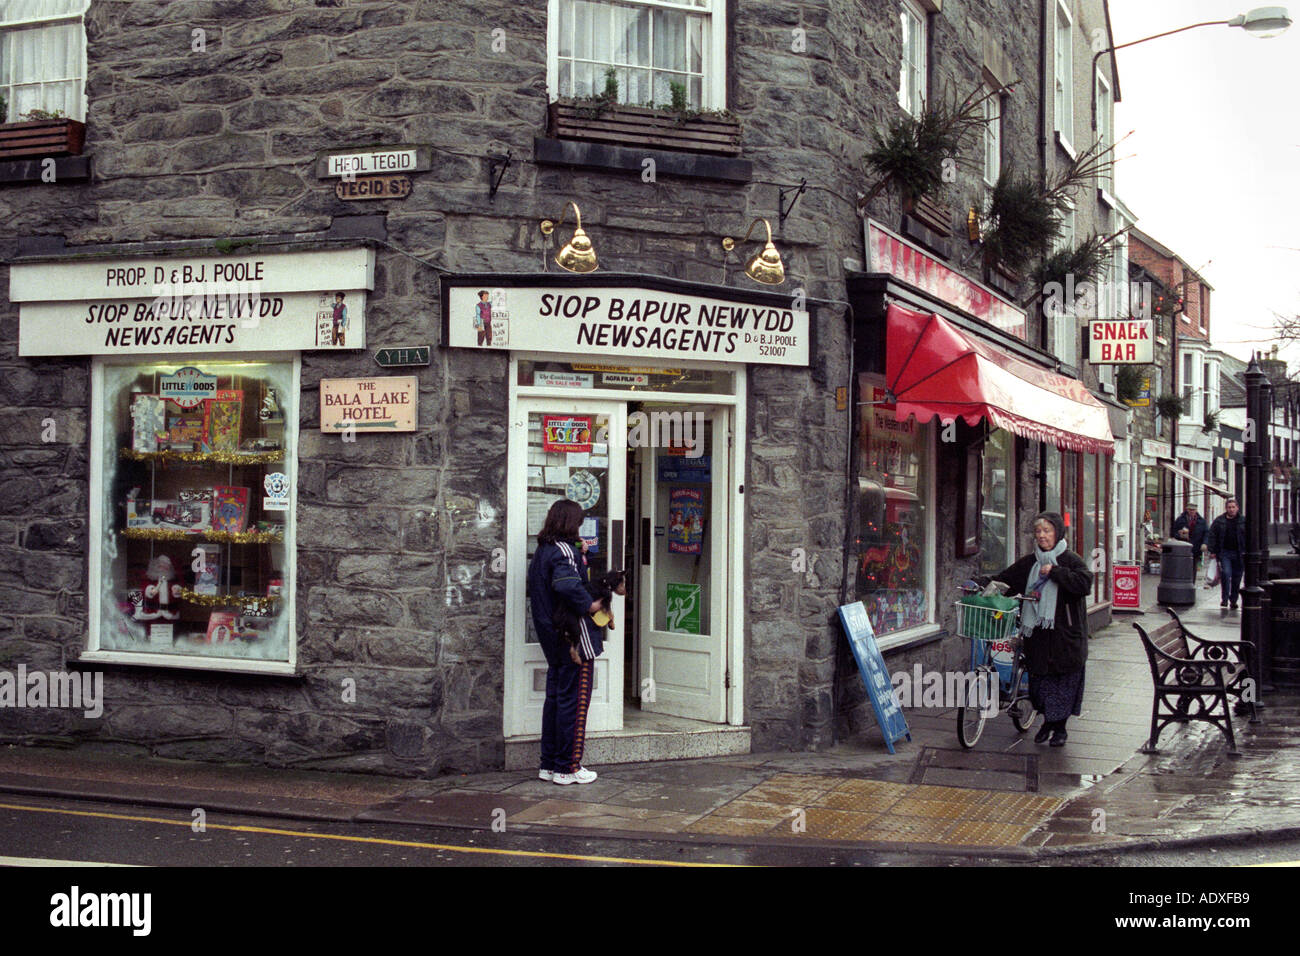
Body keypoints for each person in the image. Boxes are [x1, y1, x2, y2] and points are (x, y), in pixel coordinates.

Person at [982, 512, 1093, 747]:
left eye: (1047, 531)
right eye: (1038, 532)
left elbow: (1084, 584)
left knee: (1063, 683)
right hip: (1039, 636)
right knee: (1040, 685)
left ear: (1057, 533)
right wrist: (982, 584)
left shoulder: (1070, 559)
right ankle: (1048, 722)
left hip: (1066, 636)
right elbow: (1007, 580)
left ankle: (1059, 728)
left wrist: (1055, 572)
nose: (1042, 536)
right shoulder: (1030, 562)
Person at [527, 499, 606, 785]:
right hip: (573, 636)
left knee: (556, 699)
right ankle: (568, 766)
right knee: (574, 702)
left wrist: (579, 553)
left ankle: (549, 764)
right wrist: (591, 605)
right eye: (578, 523)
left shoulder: (544, 549)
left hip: (551, 635)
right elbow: (566, 584)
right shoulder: (563, 551)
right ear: (570, 523)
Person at [1207, 497, 1246, 610]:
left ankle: (1233, 600)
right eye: (1229, 507)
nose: (1231, 509)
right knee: (1226, 574)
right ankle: (1224, 599)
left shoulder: (1243, 521)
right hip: (1225, 553)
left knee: (1237, 578)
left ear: (1237, 508)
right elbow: (1212, 535)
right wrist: (1212, 551)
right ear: (1226, 509)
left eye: (1233, 507)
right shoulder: (1219, 521)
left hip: (1239, 554)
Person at [1171, 502, 1208, 575]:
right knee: (1183, 567)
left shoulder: (1202, 521)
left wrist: (1205, 543)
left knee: (1193, 567)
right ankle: (1183, 583)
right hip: (1183, 548)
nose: (1192, 511)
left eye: (1193, 510)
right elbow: (1173, 532)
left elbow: (1207, 533)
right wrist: (1179, 535)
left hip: (1196, 548)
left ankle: (1192, 584)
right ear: (1187, 510)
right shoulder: (1180, 520)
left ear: (1196, 510)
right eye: (1190, 509)